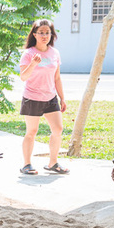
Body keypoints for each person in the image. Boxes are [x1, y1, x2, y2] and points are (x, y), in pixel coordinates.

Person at [18, 19, 68, 175]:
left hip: (50, 97)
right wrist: (32, 64)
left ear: (52, 34)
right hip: (32, 97)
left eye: (47, 32)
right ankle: (27, 164)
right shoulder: (29, 53)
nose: (44, 35)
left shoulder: (54, 53)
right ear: (34, 34)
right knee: (32, 132)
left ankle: (53, 163)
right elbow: (23, 77)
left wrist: (62, 97)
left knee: (58, 129)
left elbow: (57, 78)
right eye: (41, 33)